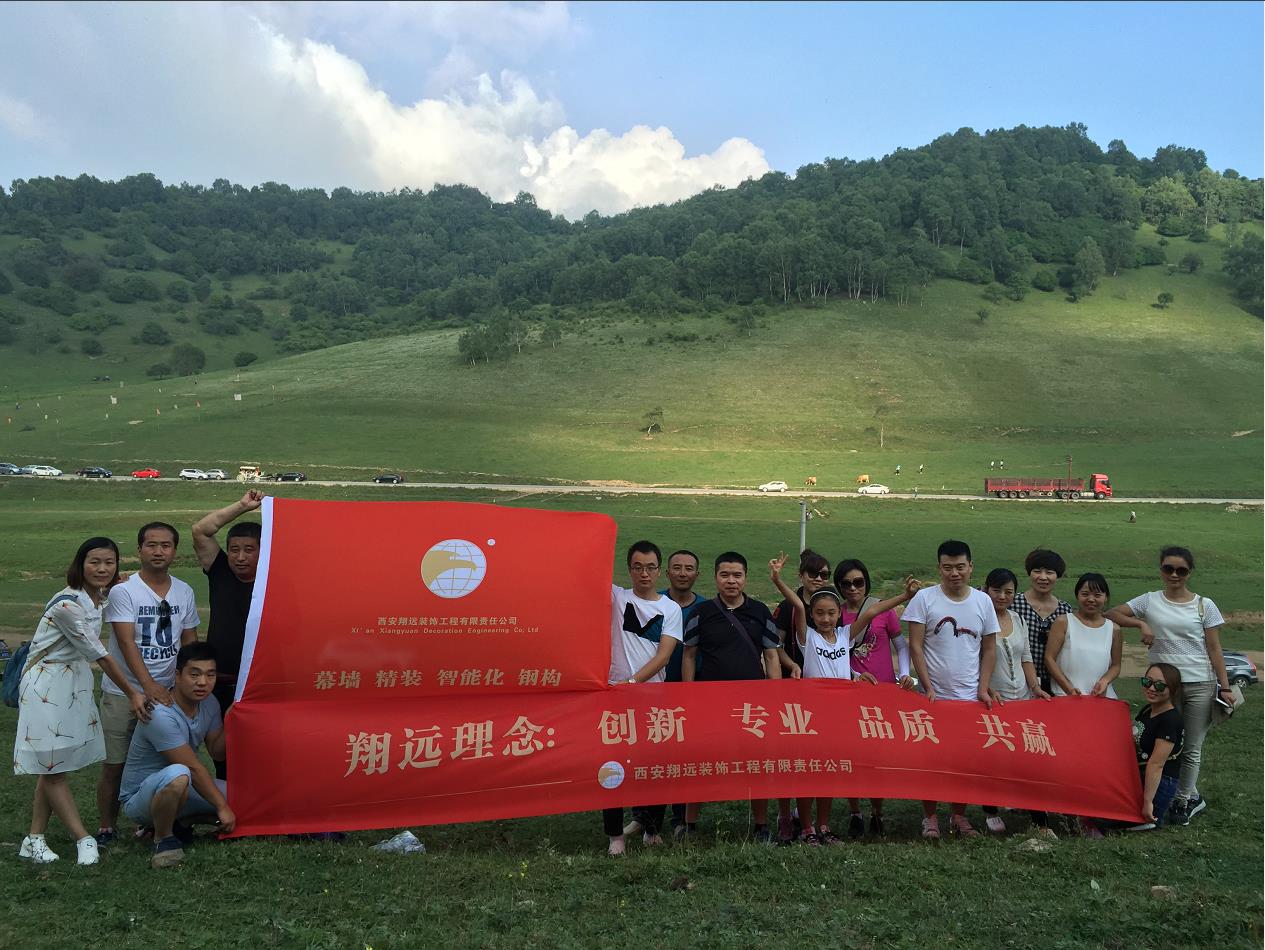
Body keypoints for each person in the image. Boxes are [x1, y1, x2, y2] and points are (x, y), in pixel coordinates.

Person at [14, 538, 150, 865]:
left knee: (53, 765)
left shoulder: (95, 597)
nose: (102, 568)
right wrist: (133, 692)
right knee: (53, 768)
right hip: (46, 686)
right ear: (80, 564)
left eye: (109, 562)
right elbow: (101, 655)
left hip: (71, 685)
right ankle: (83, 838)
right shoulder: (68, 606)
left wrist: (116, 583)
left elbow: (108, 595)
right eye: (94, 562)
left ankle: (34, 838)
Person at [772, 560, 919, 845]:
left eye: (831, 613)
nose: (825, 619)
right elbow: (798, 605)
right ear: (812, 615)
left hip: (839, 717)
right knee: (809, 773)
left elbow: (873, 610)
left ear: (839, 614)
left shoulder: (844, 636)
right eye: (819, 613)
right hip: (812, 718)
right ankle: (807, 829)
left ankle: (824, 826)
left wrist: (906, 596)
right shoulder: (808, 638)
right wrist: (777, 579)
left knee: (828, 772)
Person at [1106, 546, 1230, 826]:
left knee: (1192, 745)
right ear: (1161, 570)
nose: (1174, 575)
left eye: (1181, 570)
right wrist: (1141, 624)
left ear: (1190, 572)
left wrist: (1224, 687)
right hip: (1163, 685)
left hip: (1199, 682)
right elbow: (1113, 613)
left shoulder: (1205, 605)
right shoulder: (1149, 600)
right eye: (1168, 569)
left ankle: (1183, 800)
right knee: (1166, 743)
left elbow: (1214, 648)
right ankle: (1180, 793)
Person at [95, 522, 200, 845]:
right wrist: (146, 685)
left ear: (175, 551)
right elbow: (126, 643)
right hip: (122, 691)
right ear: (139, 550)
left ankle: (152, 822)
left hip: (167, 694)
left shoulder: (184, 591)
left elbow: (189, 640)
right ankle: (107, 827)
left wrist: (183, 683)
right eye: (151, 545)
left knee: (163, 761)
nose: (158, 551)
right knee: (115, 763)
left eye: (165, 545)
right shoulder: (124, 591)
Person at [681, 551, 782, 842]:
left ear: (745, 578)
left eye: (737, 575)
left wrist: (775, 695)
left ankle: (761, 825)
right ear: (716, 577)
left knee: (756, 762)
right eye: (724, 574)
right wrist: (688, 695)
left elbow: (771, 656)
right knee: (699, 760)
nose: (731, 581)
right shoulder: (701, 613)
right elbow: (689, 655)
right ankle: (689, 824)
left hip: (753, 705)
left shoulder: (760, 611)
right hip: (709, 701)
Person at [905, 539, 999, 840]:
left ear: (971, 567)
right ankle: (930, 817)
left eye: (960, 567)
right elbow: (916, 646)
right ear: (939, 568)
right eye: (948, 567)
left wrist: (983, 688)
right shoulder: (924, 599)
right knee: (932, 760)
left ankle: (959, 815)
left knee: (965, 760)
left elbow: (989, 648)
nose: (954, 573)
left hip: (969, 696)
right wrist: (928, 687)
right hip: (933, 698)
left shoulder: (983, 602)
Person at [119, 642, 235, 868]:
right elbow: (192, 768)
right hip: (141, 795)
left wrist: (232, 717)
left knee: (242, 798)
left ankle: (183, 821)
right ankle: (163, 840)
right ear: (178, 675)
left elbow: (217, 752)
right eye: (194, 674)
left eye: (210, 675)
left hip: (183, 784)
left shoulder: (209, 702)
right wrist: (221, 807)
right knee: (179, 773)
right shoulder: (159, 713)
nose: (203, 682)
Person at [603, 541, 683, 856]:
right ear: (630, 570)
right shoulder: (617, 597)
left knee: (653, 764)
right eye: (638, 567)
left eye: (650, 567)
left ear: (659, 570)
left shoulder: (670, 609)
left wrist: (633, 682)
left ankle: (651, 828)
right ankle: (615, 836)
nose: (644, 573)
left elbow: (664, 655)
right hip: (613, 695)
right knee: (612, 765)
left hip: (651, 697)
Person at [626, 549, 704, 842]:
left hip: (689, 692)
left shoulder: (705, 608)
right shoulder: (650, 602)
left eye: (689, 568)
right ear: (666, 572)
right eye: (677, 568)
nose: (683, 573)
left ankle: (680, 818)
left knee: (684, 757)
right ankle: (642, 816)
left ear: (697, 574)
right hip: (652, 691)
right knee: (646, 755)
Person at [835, 557, 916, 839]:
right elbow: (834, 653)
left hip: (884, 692)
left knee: (877, 756)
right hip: (851, 693)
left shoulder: (883, 610)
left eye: (858, 582)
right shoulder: (835, 614)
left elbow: (901, 645)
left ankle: (877, 812)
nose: (853, 588)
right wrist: (854, 675)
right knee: (853, 755)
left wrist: (903, 674)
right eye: (846, 584)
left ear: (866, 582)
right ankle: (855, 812)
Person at [191, 490, 263, 779]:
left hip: (259, 683)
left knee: (260, 751)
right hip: (219, 682)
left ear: (264, 551)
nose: (240, 557)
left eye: (249, 550)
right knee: (222, 754)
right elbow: (201, 531)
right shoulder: (220, 570)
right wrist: (243, 506)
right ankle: (226, 799)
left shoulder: (274, 578)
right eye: (234, 549)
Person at [1045, 572, 1123, 839]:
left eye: (1097, 594)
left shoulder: (1114, 629)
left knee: (1096, 762)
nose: (1091, 599)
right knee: (1069, 760)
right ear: (1077, 596)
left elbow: (1116, 664)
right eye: (1085, 594)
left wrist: (1105, 680)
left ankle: (1091, 816)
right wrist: (1068, 688)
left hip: (1100, 704)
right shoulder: (1064, 622)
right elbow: (1050, 659)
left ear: (1106, 598)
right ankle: (1068, 811)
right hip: (1067, 701)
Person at [980, 567, 1054, 839]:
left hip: (1022, 698)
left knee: (1026, 757)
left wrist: (1035, 687)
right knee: (994, 756)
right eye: (996, 590)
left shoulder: (1018, 619)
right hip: (993, 700)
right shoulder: (979, 620)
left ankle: (1038, 817)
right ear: (986, 590)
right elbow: (973, 659)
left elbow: (1026, 658)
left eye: (1008, 592)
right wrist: (985, 687)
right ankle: (991, 809)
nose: (1002, 596)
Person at [1128, 663, 1185, 831]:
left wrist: (1148, 802)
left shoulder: (1170, 720)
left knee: (1116, 823)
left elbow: (1156, 764)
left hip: (1160, 781)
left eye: (1159, 685)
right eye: (1147, 682)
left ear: (1173, 689)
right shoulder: (1147, 710)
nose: (1151, 688)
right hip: (1140, 774)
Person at [1011, 549, 1073, 693]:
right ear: (1029, 573)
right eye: (1037, 571)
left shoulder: (1065, 611)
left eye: (1049, 572)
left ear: (1058, 576)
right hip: (1018, 680)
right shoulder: (1014, 604)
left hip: (1055, 682)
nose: (1043, 577)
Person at [772, 549, 833, 679]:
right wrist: (792, 665)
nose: (818, 579)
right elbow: (776, 644)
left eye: (824, 575)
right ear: (801, 576)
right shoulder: (787, 606)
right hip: (795, 677)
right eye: (812, 574)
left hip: (826, 677)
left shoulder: (833, 608)